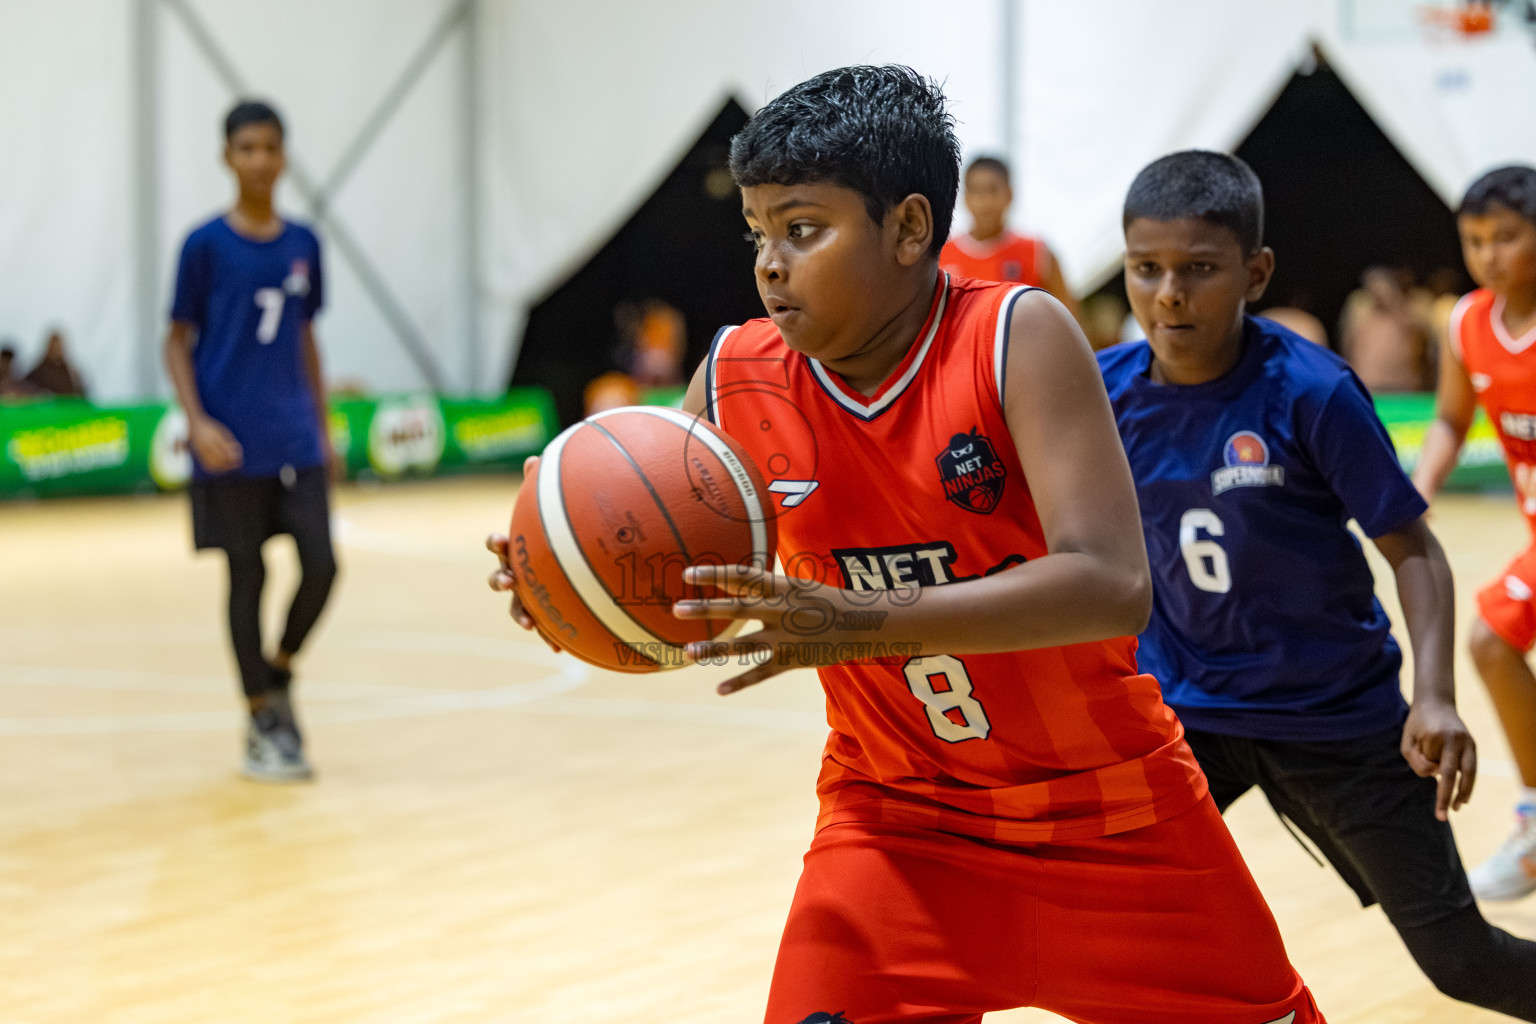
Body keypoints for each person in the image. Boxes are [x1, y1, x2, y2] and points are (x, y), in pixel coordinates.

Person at [491, 66, 1324, 1023]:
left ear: (910, 228)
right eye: (759, 234)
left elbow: (1110, 582)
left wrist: (861, 621)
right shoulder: (734, 374)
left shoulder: (1015, 333)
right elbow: (673, 570)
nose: (770, 263)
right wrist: (569, 579)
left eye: (803, 231)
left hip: (1112, 815)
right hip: (896, 821)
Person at [1098, 150, 1536, 1018]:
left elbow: (1414, 550)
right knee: (1113, 921)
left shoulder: (1311, 392)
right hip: (1187, 719)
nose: (1169, 294)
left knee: (1460, 962)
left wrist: (1436, 697)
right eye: (1146, 270)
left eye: (1198, 270)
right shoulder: (1103, 393)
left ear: (1255, 272)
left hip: (1335, 717)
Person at [163, 99, 337, 783]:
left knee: (322, 566)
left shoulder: (304, 244)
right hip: (228, 444)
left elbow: (304, 335)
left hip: (293, 435)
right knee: (248, 578)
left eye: (270, 147)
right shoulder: (204, 245)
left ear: (284, 155)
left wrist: (323, 427)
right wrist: (197, 422)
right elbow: (175, 340)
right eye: (246, 148)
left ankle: (280, 668)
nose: (259, 160)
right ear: (227, 157)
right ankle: (263, 718)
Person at [1415, 164, 1536, 903]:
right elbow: (1452, 419)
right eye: (1474, 240)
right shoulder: (1465, 324)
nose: (1490, 254)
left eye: (1508, 238)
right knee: (1493, 641)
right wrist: (1420, 483)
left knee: (1491, 636)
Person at [939, 156, 1083, 323]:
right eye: (976, 191)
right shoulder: (941, 254)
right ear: (964, 197)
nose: (984, 201)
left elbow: (1069, 317)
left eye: (992, 190)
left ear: (1009, 194)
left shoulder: (1038, 252)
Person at [1339, 266, 1433, 392]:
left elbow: (1423, 339)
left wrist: (1392, 300)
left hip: (1403, 386)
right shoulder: (1360, 310)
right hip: (1370, 383)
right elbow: (1348, 344)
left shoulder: (1412, 310)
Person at [23, 329, 87, 398]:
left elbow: (81, 392)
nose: (56, 349)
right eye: (54, 346)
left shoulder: (71, 372)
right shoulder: (39, 371)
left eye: (58, 346)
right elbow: (27, 388)